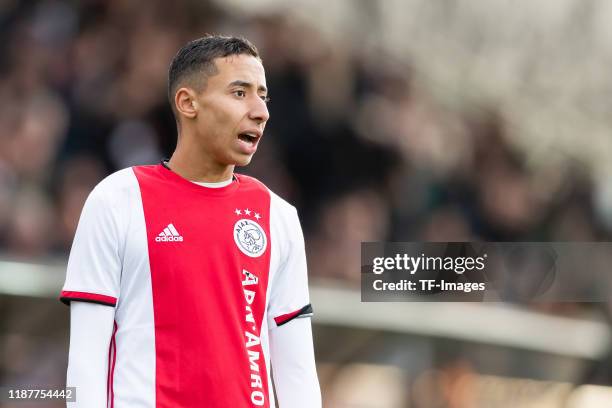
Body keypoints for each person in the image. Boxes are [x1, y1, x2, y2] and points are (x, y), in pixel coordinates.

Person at [60, 35, 322, 407]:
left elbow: (297, 371)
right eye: (239, 93)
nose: (260, 110)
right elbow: (86, 360)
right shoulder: (117, 199)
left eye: (263, 95)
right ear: (188, 102)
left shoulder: (277, 215)